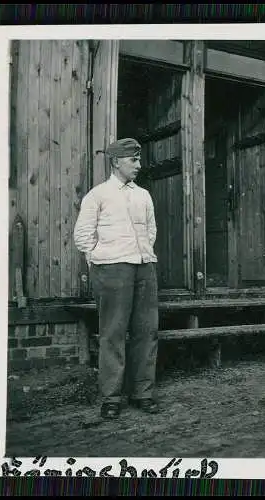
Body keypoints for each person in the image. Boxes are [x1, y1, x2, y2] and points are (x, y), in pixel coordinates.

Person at [73, 138, 160, 420]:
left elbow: (151, 230)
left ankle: (142, 393)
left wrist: (142, 255)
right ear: (115, 162)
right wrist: (99, 258)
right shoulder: (98, 195)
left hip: (144, 268)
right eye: (133, 160)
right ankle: (111, 397)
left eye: (138, 159)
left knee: (146, 331)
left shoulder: (143, 195)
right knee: (112, 333)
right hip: (111, 270)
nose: (138, 165)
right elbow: (83, 236)